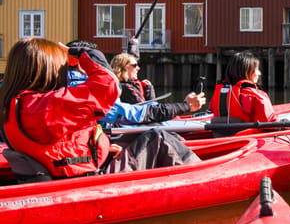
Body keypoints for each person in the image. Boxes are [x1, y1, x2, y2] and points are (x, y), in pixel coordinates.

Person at [0, 38, 198, 179]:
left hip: (75, 173)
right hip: (85, 183)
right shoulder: (44, 107)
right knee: (158, 138)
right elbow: (108, 86)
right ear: (45, 71)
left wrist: (103, 153)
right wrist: (87, 54)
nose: (62, 73)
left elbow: (57, 145)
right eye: (60, 68)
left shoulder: (21, 104)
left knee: (136, 140)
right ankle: (200, 178)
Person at [64, 42, 205, 127]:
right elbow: (140, 114)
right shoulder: (103, 90)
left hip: (108, 133)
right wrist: (184, 106)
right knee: (158, 135)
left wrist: (150, 93)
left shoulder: (69, 85)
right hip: (116, 133)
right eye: (95, 63)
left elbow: (146, 108)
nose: (138, 68)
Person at [211, 51, 278, 123]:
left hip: (219, 133)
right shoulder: (254, 95)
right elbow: (268, 123)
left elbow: (211, 110)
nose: (260, 73)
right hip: (245, 133)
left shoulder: (219, 93)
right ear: (247, 72)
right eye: (257, 69)